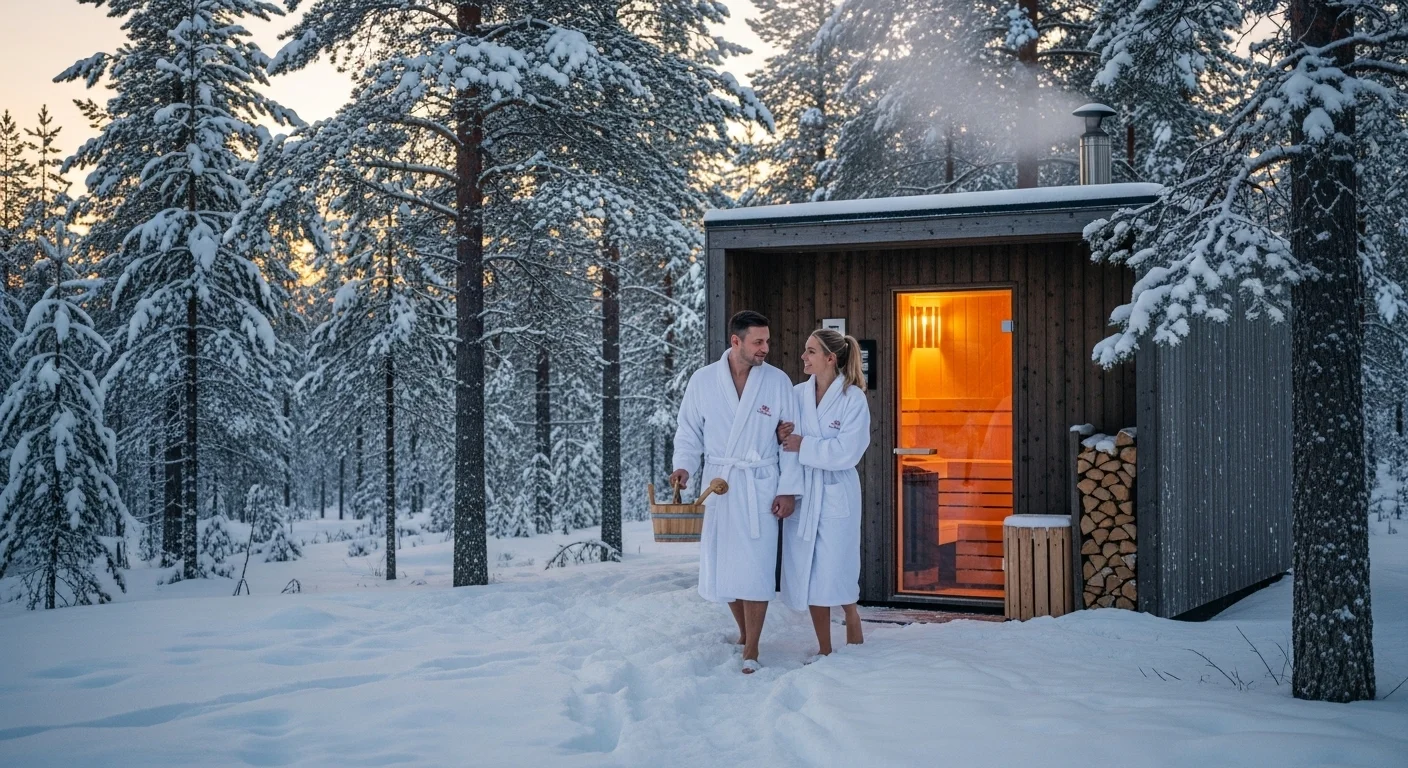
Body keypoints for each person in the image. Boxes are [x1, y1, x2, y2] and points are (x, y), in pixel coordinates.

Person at [671, 311, 801, 674]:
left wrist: (788, 489)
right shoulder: (703, 381)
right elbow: (688, 431)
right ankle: (744, 633)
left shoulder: (776, 382)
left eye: (768, 341)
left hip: (759, 483)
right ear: (736, 342)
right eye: (758, 342)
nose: (766, 348)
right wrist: (683, 466)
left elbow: (789, 440)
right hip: (719, 484)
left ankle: (753, 650)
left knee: (757, 566)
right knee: (725, 566)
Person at [776, 329, 872, 659]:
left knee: (836, 566)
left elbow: (849, 451)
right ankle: (824, 647)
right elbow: (786, 446)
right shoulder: (796, 393)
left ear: (830, 358)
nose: (803, 356)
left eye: (811, 351)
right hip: (804, 490)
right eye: (805, 350)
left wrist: (806, 444)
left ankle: (850, 613)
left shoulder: (852, 398)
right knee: (811, 570)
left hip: (834, 490)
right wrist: (781, 435)